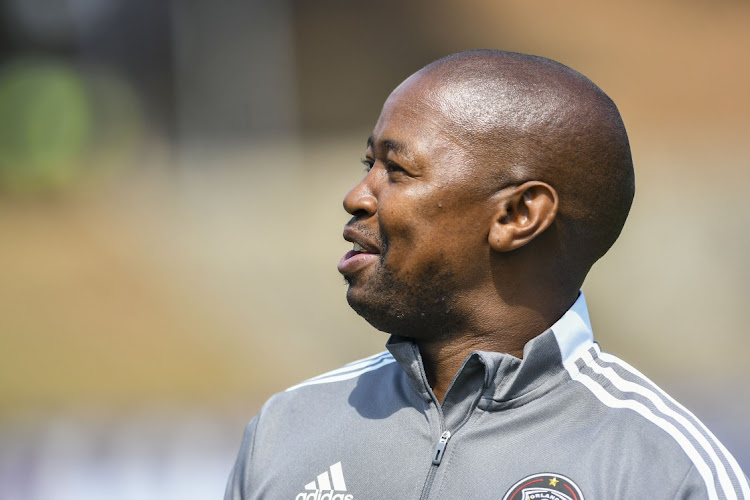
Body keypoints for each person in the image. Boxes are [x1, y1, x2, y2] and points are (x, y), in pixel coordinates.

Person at [225, 50, 748, 499]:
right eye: (367, 164)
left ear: (518, 216)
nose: (357, 196)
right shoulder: (285, 429)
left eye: (397, 169)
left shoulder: (661, 469)